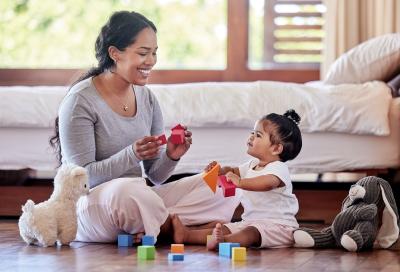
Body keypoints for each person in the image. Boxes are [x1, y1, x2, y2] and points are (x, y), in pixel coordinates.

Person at [50, 11, 240, 243]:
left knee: (225, 181)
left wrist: (171, 155)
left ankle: (160, 226)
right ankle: (182, 229)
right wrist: (132, 155)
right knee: (128, 193)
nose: (151, 61)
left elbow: (156, 176)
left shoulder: (147, 99)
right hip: (94, 205)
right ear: (114, 53)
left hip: (138, 199)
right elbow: (80, 179)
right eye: (143, 53)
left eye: (154, 53)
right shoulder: (80, 101)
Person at [171, 110, 303, 249]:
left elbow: (268, 183)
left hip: (278, 227)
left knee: (250, 233)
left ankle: (225, 242)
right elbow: (234, 171)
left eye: (258, 135)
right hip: (250, 221)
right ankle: (186, 235)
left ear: (276, 148)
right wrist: (220, 171)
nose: (251, 137)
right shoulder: (252, 165)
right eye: (252, 132)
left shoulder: (278, 168)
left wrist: (240, 183)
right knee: (224, 228)